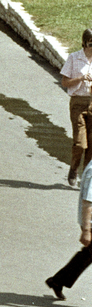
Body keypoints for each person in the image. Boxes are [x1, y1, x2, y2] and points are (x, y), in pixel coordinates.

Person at [45, 157, 92, 301]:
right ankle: (58, 280)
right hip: (91, 222)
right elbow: (88, 201)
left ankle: (58, 280)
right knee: (88, 254)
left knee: (88, 255)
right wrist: (86, 230)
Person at [59, 29, 92, 188]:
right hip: (78, 103)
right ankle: (73, 169)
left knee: (91, 145)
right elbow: (65, 82)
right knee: (80, 143)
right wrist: (80, 78)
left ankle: (85, 179)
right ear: (85, 43)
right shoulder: (74, 57)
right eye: (91, 44)